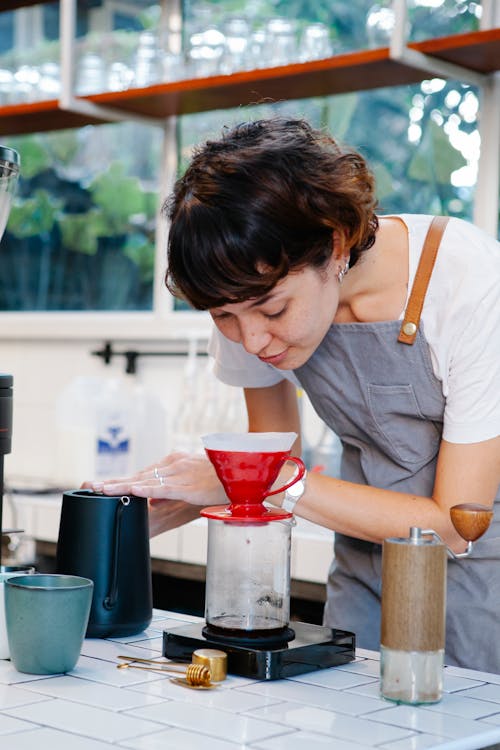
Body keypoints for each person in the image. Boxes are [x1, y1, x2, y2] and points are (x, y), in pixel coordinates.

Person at [89, 116, 500, 672]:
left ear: (335, 245)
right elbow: (273, 464)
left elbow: (453, 521)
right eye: (223, 317)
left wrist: (258, 475)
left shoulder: (471, 283)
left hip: (482, 570)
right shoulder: (244, 293)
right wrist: (157, 507)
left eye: (274, 309)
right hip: (363, 560)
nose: (253, 339)